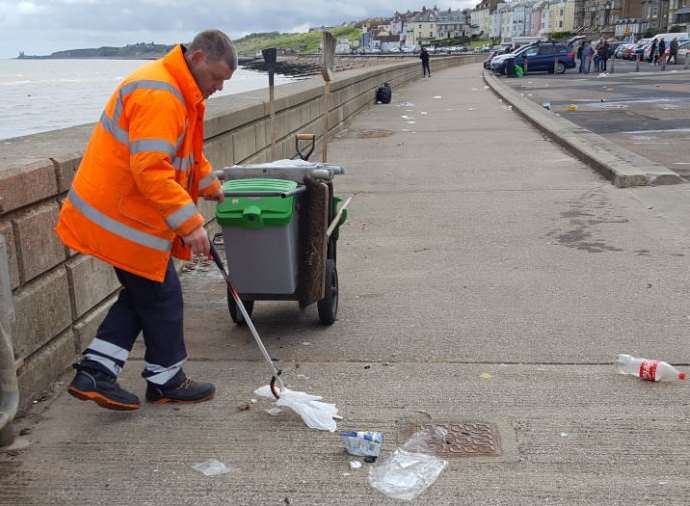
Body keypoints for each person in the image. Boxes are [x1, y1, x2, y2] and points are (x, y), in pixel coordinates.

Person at [55, 30, 237, 411]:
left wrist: (209, 185)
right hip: (122, 217)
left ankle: (98, 371)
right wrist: (191, 224)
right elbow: (152, 169)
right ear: (199, 57)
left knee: (145, 296)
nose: (218, 88)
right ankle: (165, 379)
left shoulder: (177, 89)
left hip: (128, 215)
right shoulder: (161, 94)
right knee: (161, 296)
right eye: (217, 78)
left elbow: (183, 154)